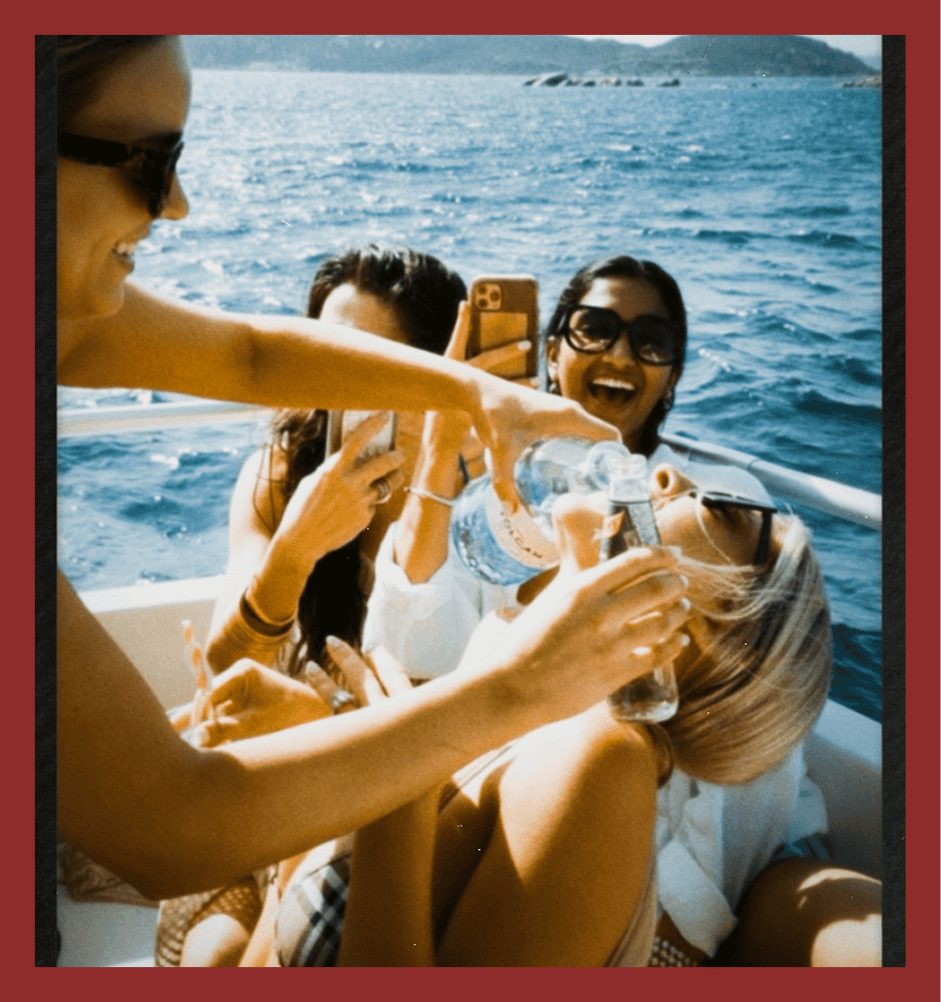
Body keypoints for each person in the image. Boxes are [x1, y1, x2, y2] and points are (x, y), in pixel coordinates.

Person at [55, 36, 691, 903]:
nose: (178, 204)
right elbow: (173, 825)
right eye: (149, 161)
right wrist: (526, 685)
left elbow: (248, 355)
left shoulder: (60, 317)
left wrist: (478, 397)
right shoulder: (276, 481)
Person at [358, 253, 881, 965]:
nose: (620, 353)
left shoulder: (717, 498)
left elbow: (750, 720)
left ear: (671, 374)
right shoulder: (497, 492)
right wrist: (445, 446)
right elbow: (412, 653)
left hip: (741, 859)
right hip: (553, 835)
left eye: (651, 341)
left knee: (868, 927)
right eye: (593, 329)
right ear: (551, 349)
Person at [246, 464, 834, 966]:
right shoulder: (512, 692)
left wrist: (392, 788)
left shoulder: (601, 765)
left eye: (724, 512)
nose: (668, 473)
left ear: (707, 635)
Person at [154, 244, 470, 966]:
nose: (340, 384)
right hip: (271, 800)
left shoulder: (478, 503)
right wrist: (294, 549)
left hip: (408, 810)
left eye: (369, 364)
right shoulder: (277, 476)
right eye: (324, 356)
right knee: (214, 961)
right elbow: (224, 674)